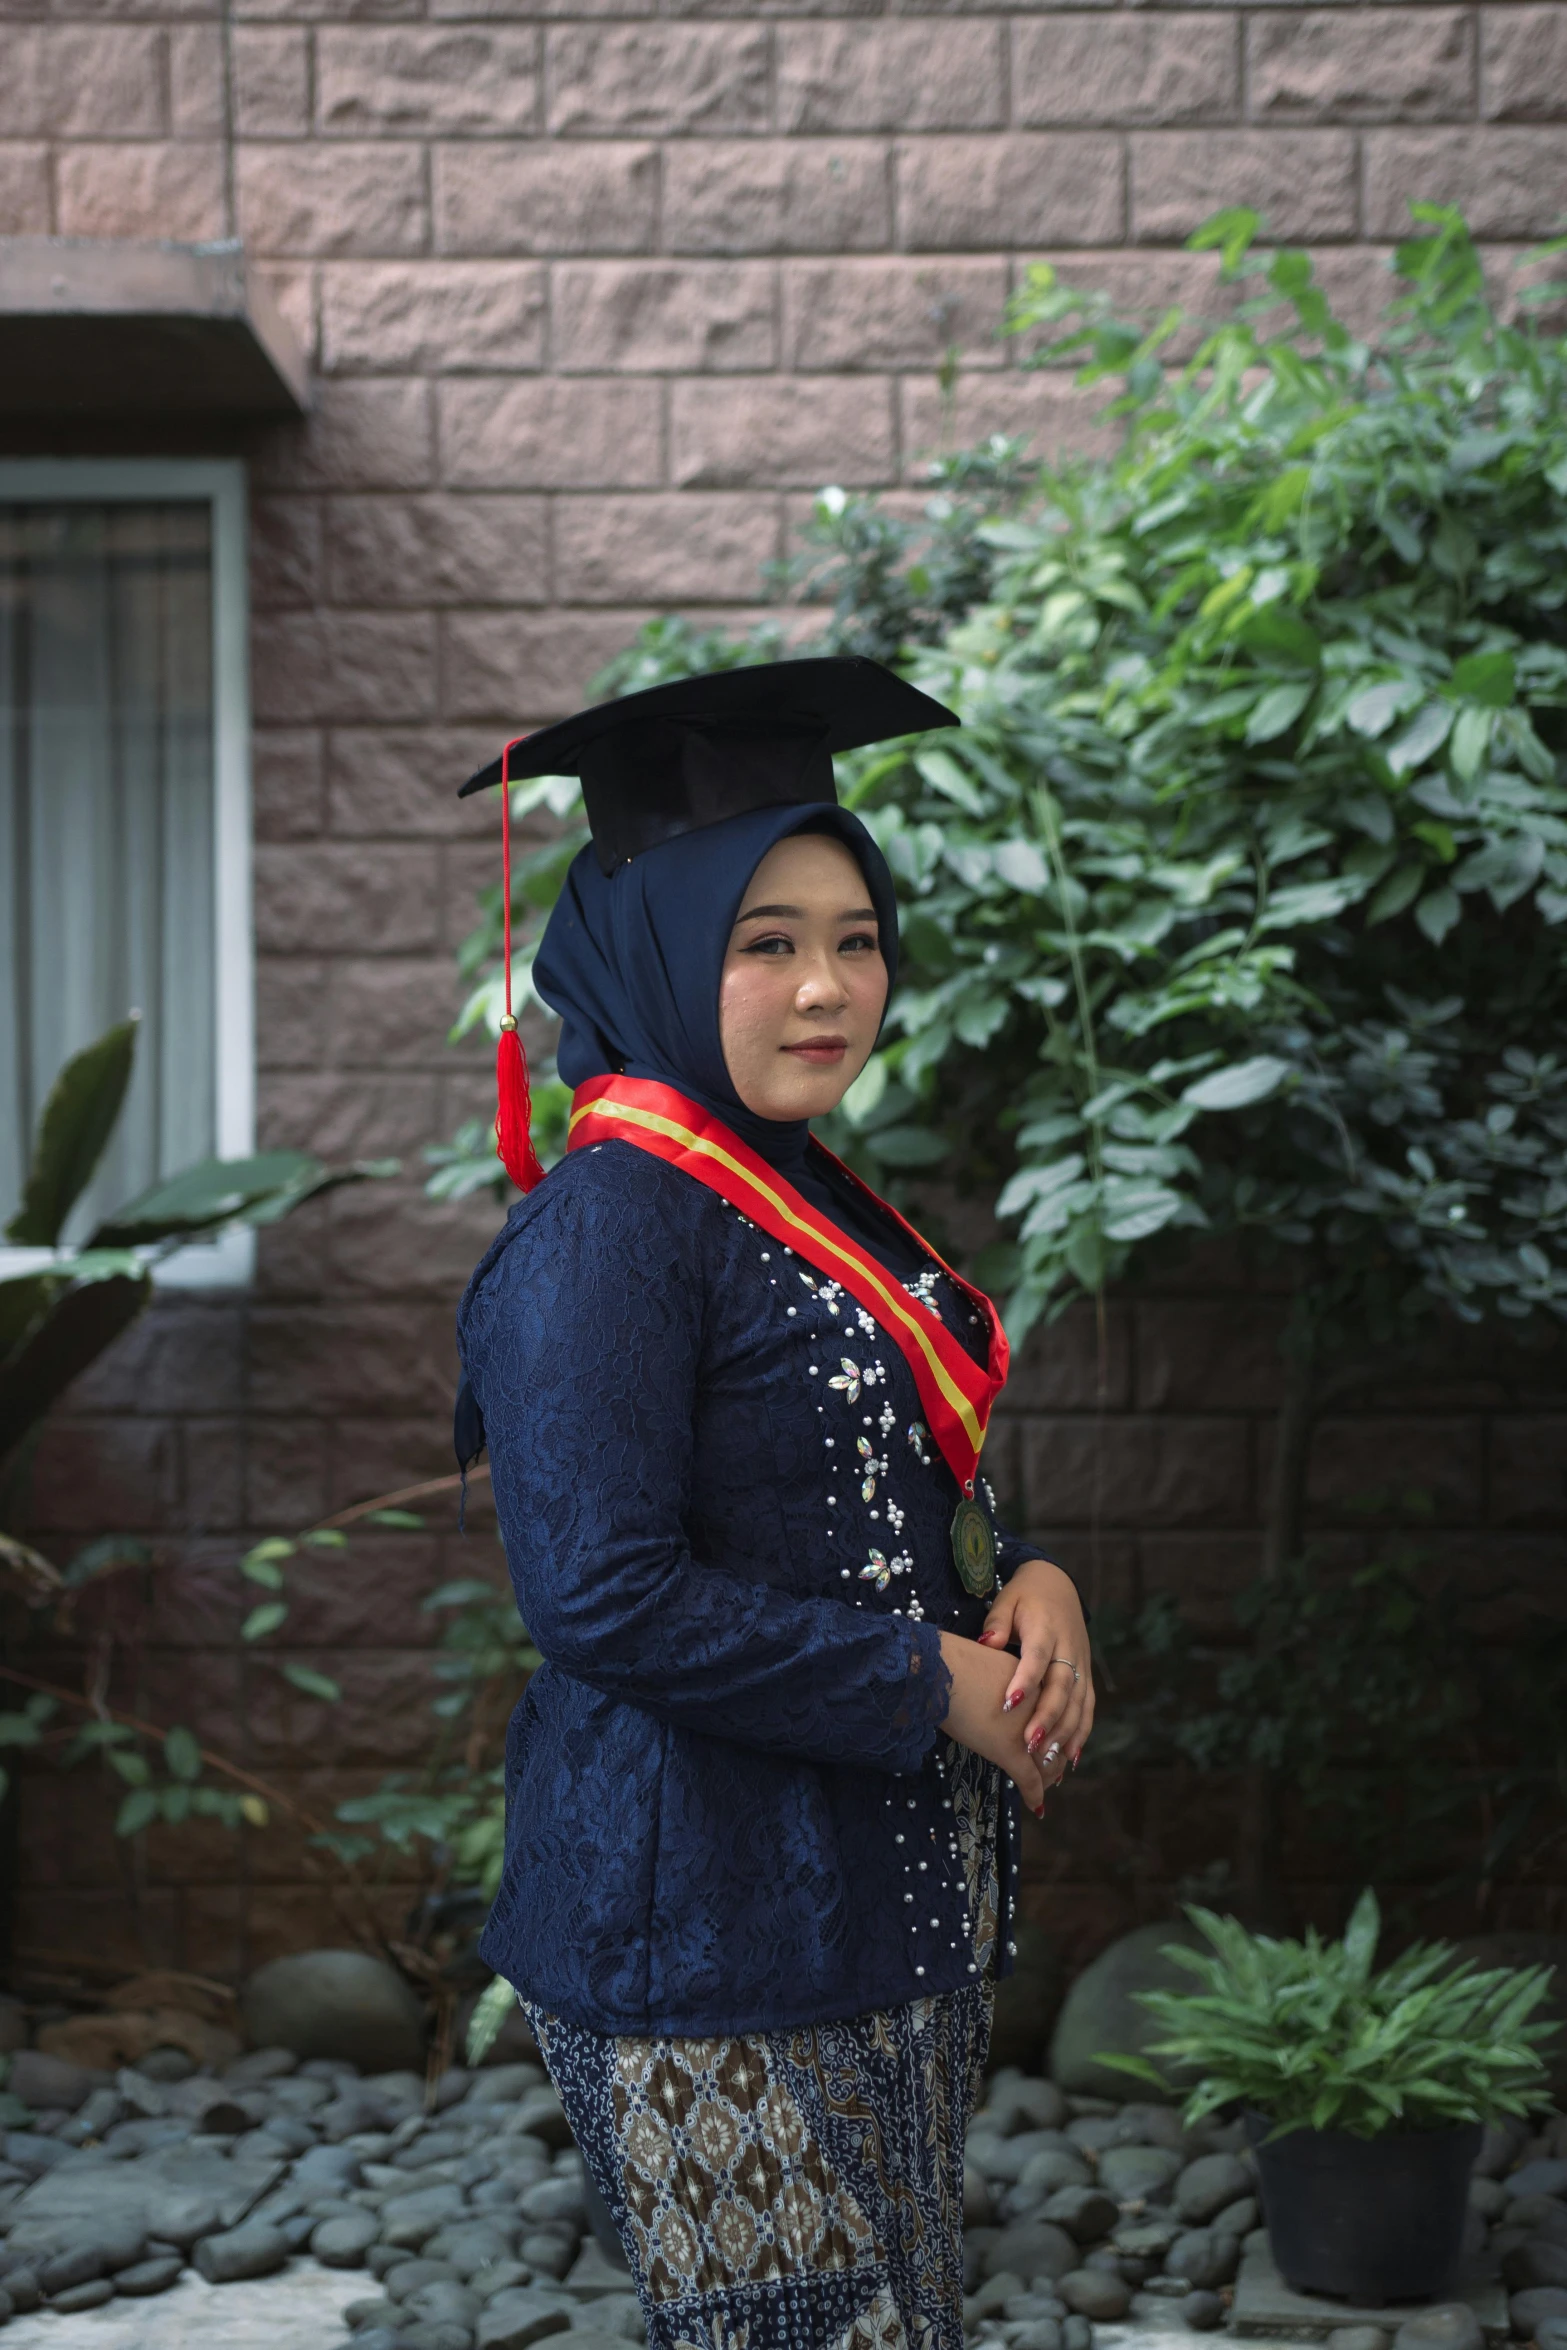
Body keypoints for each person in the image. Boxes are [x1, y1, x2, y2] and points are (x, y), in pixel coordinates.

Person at [454, 657, 1095, 2350]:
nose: (827, 986)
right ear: (656, 948)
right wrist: (926, 1679)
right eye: (764, 941)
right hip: (700, 1928)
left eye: (854, 934)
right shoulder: (611, 1225)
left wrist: (1023, 1576)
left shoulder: (806, 1192)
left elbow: (868, 1480)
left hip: (886, 1897)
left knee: (906, 2319)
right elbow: (600, 1595)